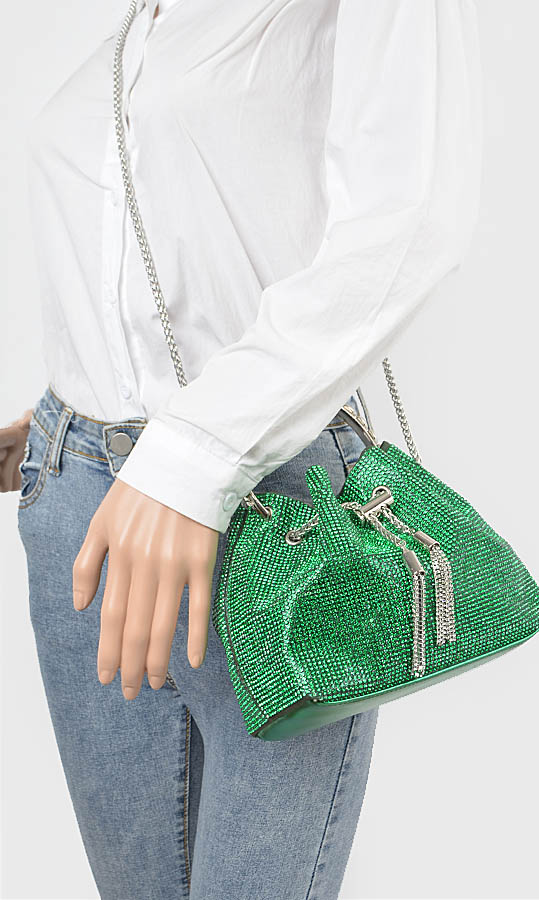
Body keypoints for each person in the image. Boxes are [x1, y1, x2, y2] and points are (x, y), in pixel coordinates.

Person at [1, 0, 482, 897]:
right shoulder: (138, 30)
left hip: (273, 512)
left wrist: (189, 451)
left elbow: (411, 217)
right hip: (83, 501)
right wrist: (74, 414)